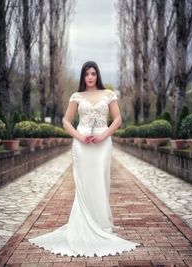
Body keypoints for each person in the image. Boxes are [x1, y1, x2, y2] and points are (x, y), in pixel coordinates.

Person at [28, 61, 141, 257]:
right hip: (82, 145)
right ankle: (83, 225)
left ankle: (102, 224)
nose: (90, 77)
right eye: (87, 74)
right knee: (84, 184)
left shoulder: (108, 94)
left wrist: (104, 135)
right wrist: (79, 137)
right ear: (83, 76)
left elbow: (118, 120)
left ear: (97, 76)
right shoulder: (76, 96)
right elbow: (66, 121)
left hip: (103, 144)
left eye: (93, 73)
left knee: (101, 182)